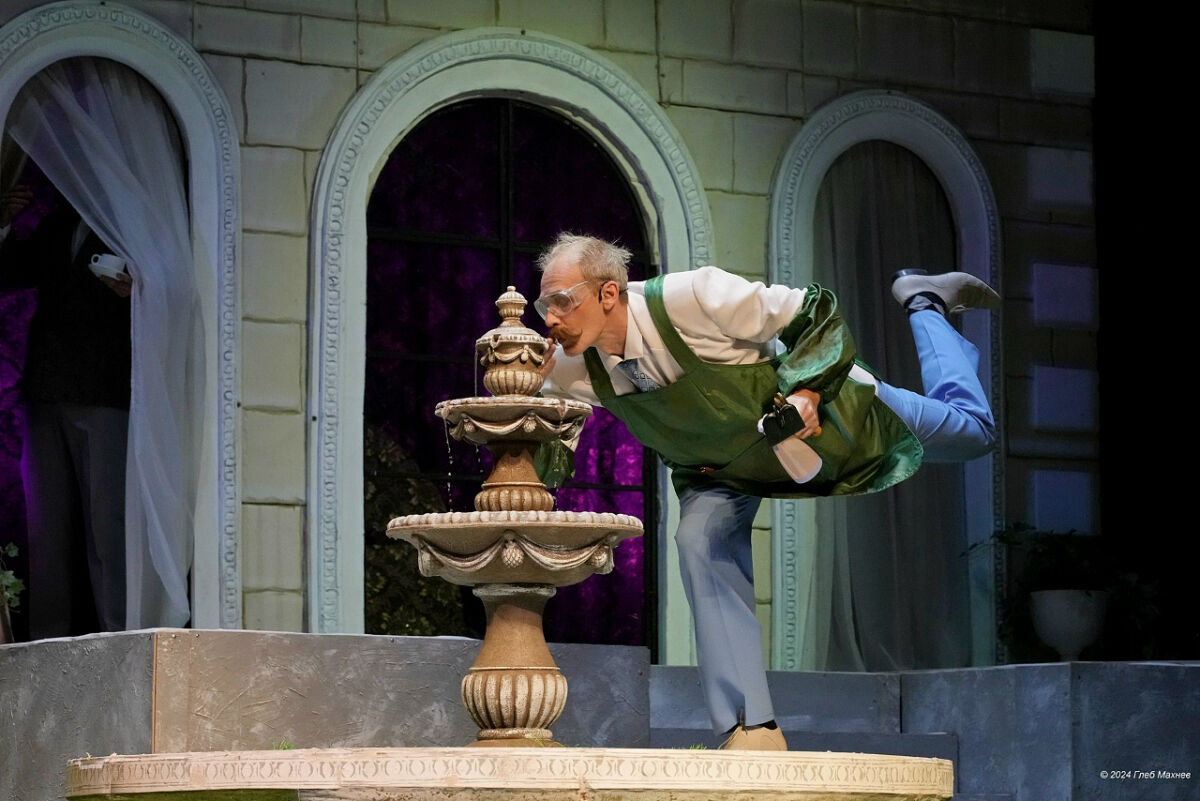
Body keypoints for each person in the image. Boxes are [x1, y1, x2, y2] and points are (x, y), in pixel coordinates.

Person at [535, 233, 997, 751]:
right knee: (698, 540)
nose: (550, 319)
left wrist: (807, 392)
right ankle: (751, 729)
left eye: (562, 301)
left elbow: (816, 312)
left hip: (826, 421)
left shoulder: (694, 297)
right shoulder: (569, 369)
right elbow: (548, 469)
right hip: (720, 473)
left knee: (974, 432)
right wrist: (526, 391)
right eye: (544, 305)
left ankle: (924, 303)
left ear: (607, 294)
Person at [0, 181, 133, 638]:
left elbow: (173, 292)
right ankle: (47, 640)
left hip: (105, 390)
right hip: (46, 387)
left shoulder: (133, 222)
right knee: (46, 527)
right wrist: (5, 225)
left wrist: (138, 292)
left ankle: (119, 632)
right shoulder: (59, 222)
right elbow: (13, 271)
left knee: (107, 526)